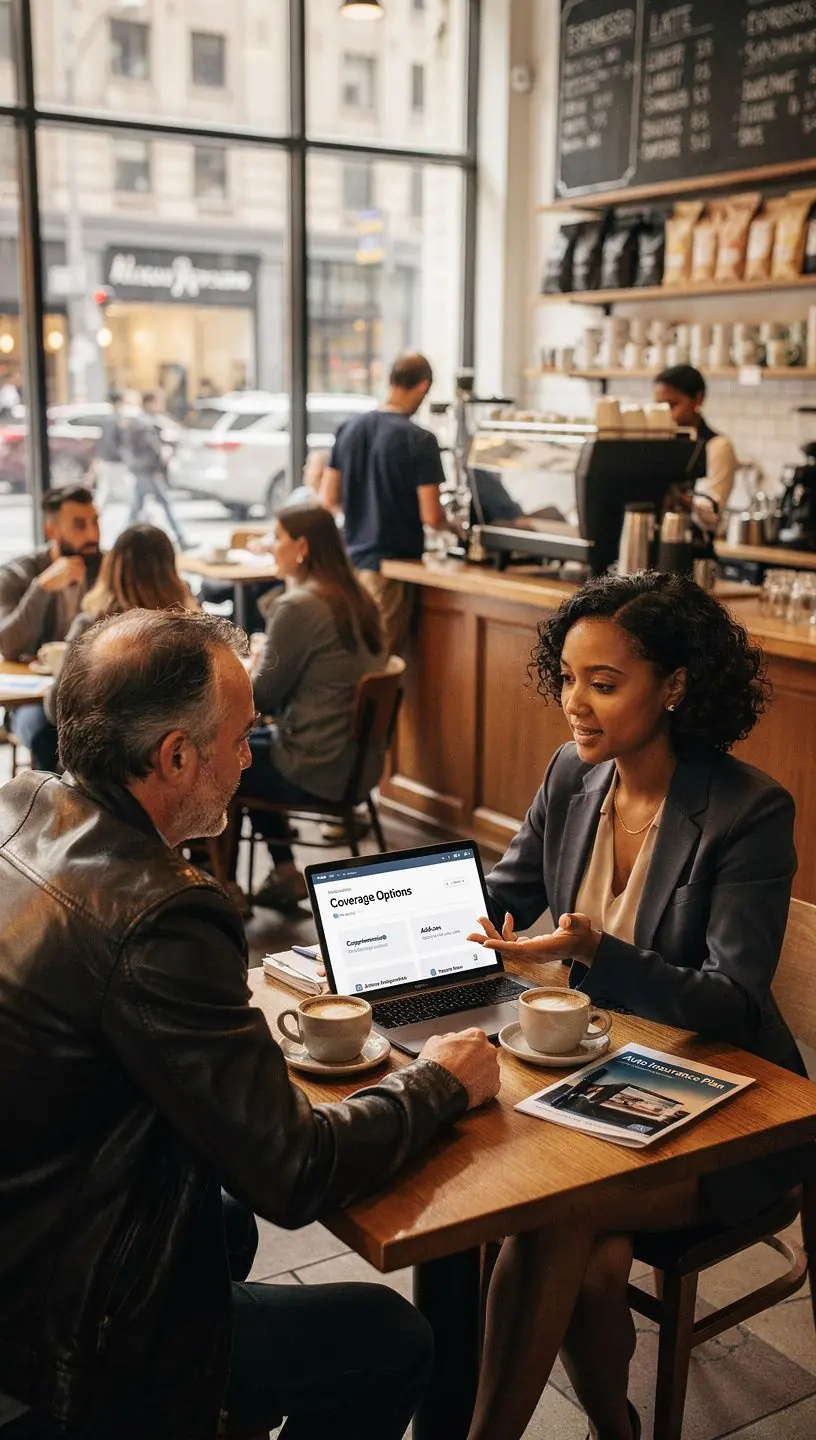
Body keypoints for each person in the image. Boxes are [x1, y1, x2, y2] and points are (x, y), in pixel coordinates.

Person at [0, 607, 500, 1440]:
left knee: (221, 1222)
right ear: (175, 754)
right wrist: (438, 1081)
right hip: (59, 1329)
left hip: (27, 1223)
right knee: (391, 1339)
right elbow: (295, 1171)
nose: (246, 757)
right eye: (240, 738)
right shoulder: (161, 912)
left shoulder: (22, 804)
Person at [465, 572, 805, 1440]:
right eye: (569, 678)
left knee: (547, 1212)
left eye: (604, 684)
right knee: (588, 1261)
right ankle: (615, 1429)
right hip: (598, 1084)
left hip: (727, 1106)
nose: (574, 704)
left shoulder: (747, 812)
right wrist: (393, 931)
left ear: (677, 686)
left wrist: (593, 952)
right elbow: (501, 895)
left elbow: (732, 1002)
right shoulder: (572, 776)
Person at [236, 504, 386, 911]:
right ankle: (285, 873)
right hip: (358, 763)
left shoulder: (301, 605)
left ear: (301, 546)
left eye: (277, 538)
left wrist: (249, 667)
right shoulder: (357, 596)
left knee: (226, 762)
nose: (271, 548)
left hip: (317, 764)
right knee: (249, 748)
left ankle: (225, 888)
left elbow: (260, 698)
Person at [320, 352, 450, 655]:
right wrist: (453, 528)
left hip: (350, 566)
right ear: (423, 387)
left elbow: (329, 498)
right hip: (391, 570)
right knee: (380, 663)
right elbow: (431, 515)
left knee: (353, 657)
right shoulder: (420, 440)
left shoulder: (348, 429)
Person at [42, 523, 197, 724]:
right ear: (170, 571)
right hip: (173, 746)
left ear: (111, 567)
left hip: (106, 750)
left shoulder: (91, 627)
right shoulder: (189, 627)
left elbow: (57, 709)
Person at [0, 485, 100, 771]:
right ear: (51, 531)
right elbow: (9, 646)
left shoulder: (106, 568)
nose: (92, 535)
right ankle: (53, 812)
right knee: (49, 733)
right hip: (36, 697)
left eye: (95, 522)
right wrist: (41, 588)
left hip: (95, 690)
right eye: (80, 525)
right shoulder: (18, 574)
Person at [653, 364, 737, 534]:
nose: (667, 415)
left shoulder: (718, 446)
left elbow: (710, 515)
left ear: (698, 399)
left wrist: (673, 494)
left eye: (672, 404)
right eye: (659, 407)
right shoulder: (658, 442)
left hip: (694, 550)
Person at [125, 390, 187, 548]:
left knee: (138, 505)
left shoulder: (144, 420)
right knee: (161, 503)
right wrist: (163, 451)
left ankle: (125, 539)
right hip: (147, 468)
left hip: (144, 468)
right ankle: (181, 537)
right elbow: (151, 441)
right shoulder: (144, 422)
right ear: (149, 403)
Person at [92, 389, 128, 509]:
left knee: (106, 489)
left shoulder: (112, 418)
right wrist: (122, 456)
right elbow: (110, 441)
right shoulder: (114, 419)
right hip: (114, 461)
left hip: (109, 459)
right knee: (114, 489)